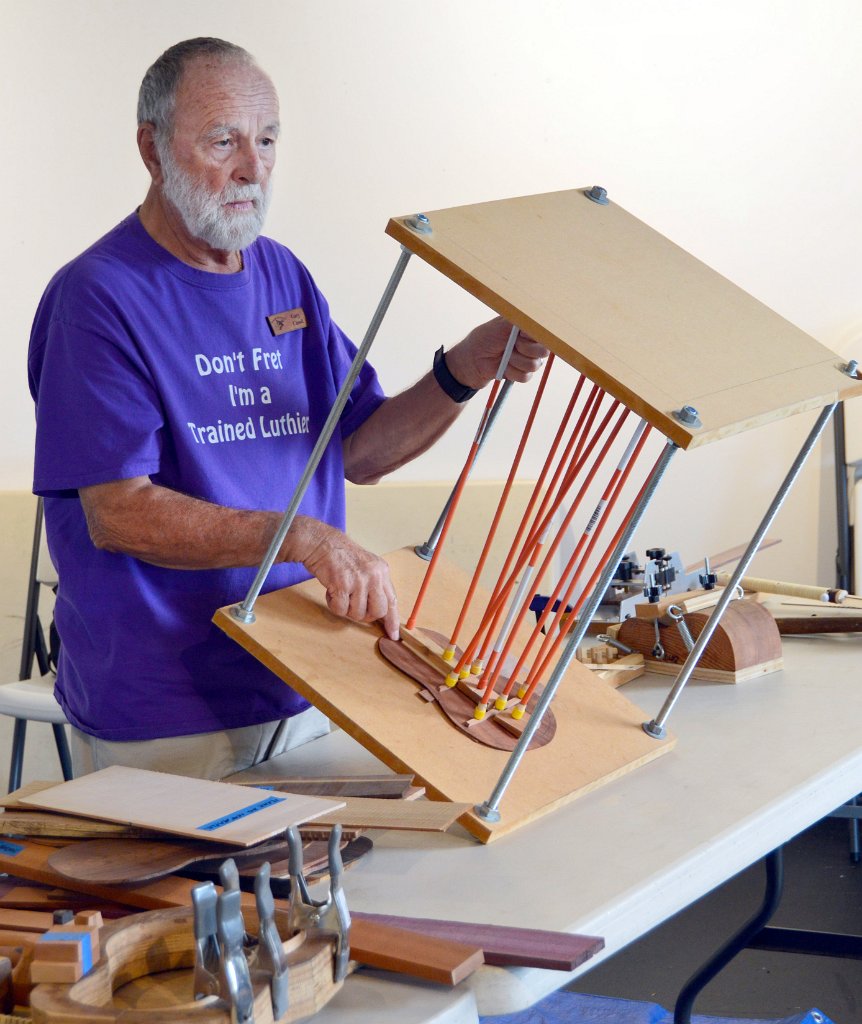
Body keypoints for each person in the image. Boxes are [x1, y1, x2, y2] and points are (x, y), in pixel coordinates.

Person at [28, 37, 547, 780]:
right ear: (151, 148)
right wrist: (303, 538)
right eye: (222, 140)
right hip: (168, 711)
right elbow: (119, 511)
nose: (253, 167)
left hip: (306, 678)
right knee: (205, 902)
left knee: (322, 893)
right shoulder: (98, 297)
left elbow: (359, 450)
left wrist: (465, 368)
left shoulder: (282, 276)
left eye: (267, 140)